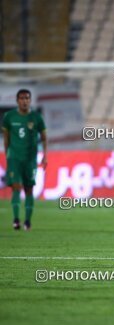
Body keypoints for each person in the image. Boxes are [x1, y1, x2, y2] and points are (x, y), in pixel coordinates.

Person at [2, 89, 47, 230]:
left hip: (30, 159)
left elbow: (44, 138)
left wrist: (45, 155)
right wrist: (8, 154)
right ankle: (16, 219)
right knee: (16, 187)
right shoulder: (9, 117)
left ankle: (27, 221)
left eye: (27, 98)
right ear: (17, 101)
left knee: (29, 189)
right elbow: (6, 138)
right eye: (22, 98)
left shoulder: (36, 117)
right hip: (14, 158)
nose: (24, 101)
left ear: (30, 100)